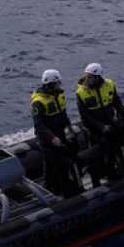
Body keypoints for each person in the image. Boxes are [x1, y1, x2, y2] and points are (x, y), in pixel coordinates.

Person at [75, 62, 124, 185]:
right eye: (87, 76)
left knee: (113, 148)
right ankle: (96, 183)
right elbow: (85, 117)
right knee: (95, 157)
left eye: (90, 77)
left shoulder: (109, 85)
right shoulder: (81, 93)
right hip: (93, 130)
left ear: (97, 77)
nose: (87, 78)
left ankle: (113, 174)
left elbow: (117, 103)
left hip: (109, 125)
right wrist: (101, 127)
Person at [31, 69, 83, 197]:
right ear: (50, 84)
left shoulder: (58, 95)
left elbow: (62, 113)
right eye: (57, 83)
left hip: (60, 134)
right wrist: (52, 138)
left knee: (70, 155)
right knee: (50, 164)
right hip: (47, 140)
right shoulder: (38, 102)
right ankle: (49, 191)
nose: (60, 85)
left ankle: (72, 183)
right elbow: (39, 125)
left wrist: (69, 126)